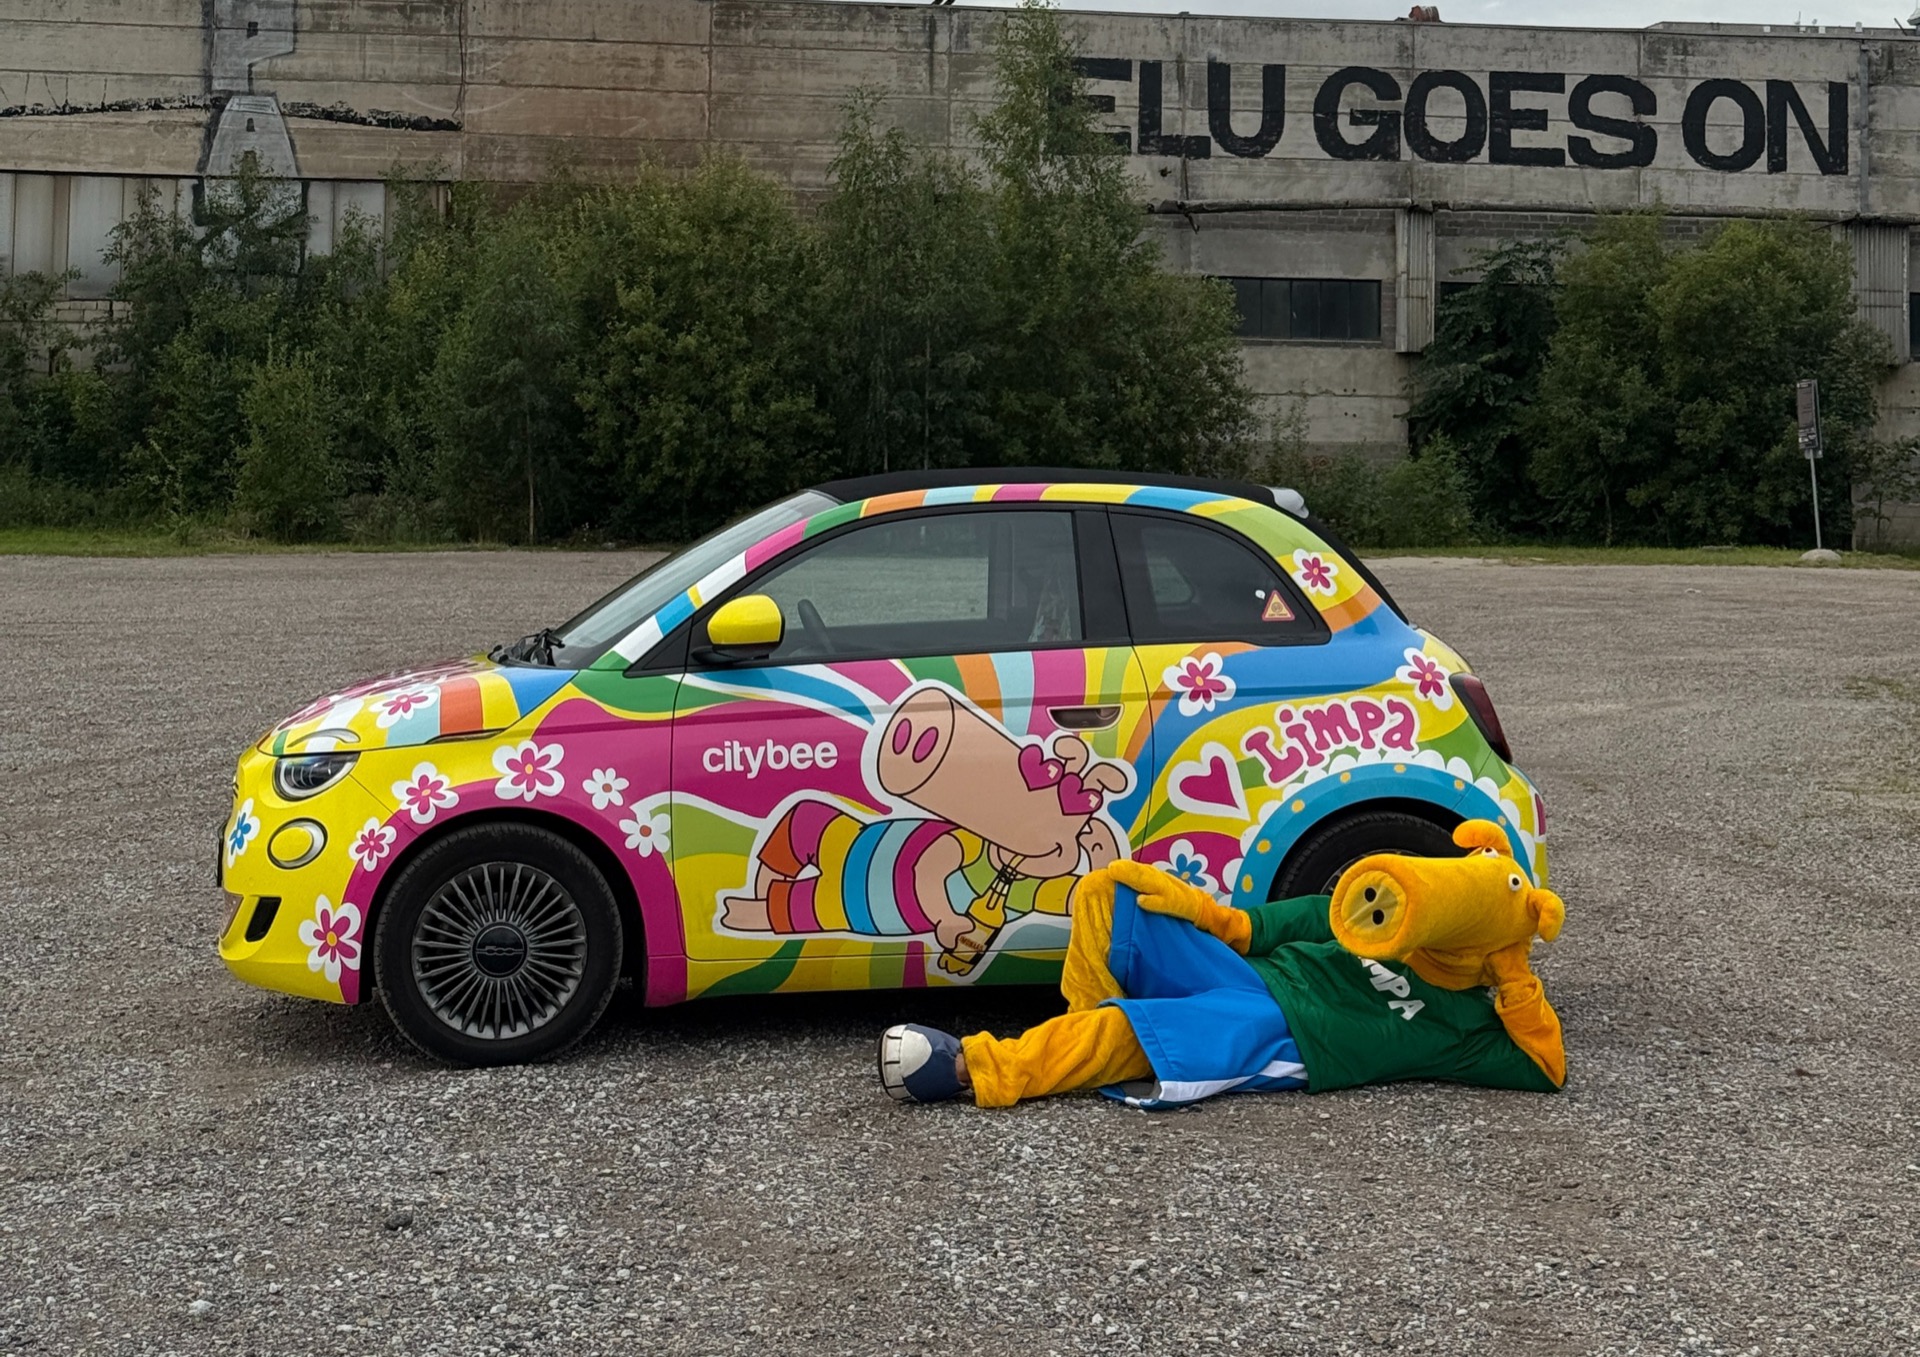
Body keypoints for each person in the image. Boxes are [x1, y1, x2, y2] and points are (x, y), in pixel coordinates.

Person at [877, 821, 1566, 1108]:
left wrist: (1512, 975)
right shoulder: (1371, 923)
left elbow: (1545, 1068)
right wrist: (1202, 913)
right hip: (1255, 974)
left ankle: (976, 1068)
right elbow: (1255, 927)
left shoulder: (1465, 1024)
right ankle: (1077, 1041)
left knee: (1130, 1030)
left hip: (1283, 1030)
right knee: (1108, 891)